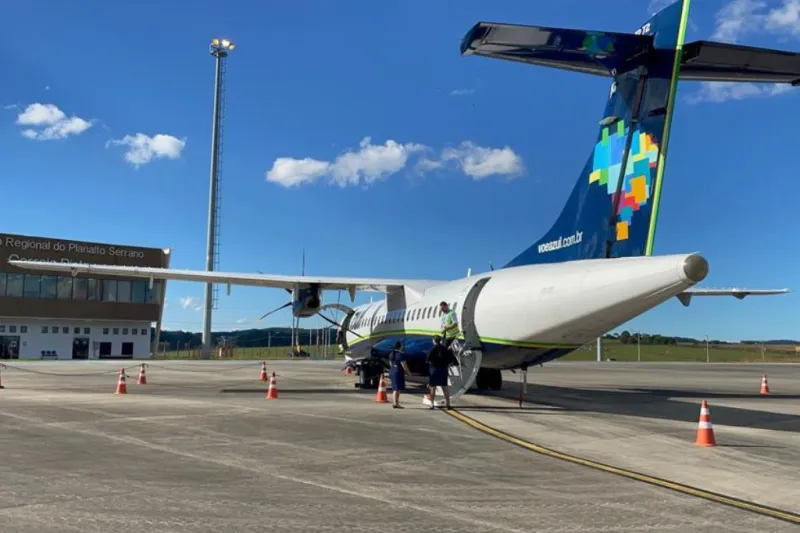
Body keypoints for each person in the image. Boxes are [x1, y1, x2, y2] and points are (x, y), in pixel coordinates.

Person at [426, 335, 452, 409]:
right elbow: (450, 358)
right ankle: (448, 404)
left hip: (434, 369)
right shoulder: (445, 348)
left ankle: (432, 404)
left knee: (433, 388)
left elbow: (427, 359)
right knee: (445, 387)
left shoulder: (432, 348)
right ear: (440, 340)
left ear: (434, 341)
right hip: (443, 369)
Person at [388, 341, 411, 409]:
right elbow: (404, 365)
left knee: (395, 388)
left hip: (392, 370)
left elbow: (390, 364)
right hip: (398, 372)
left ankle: (395, 402)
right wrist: (408, 372)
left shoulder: (391, 354)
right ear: (400, 347)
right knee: (397, 389)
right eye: (402, 345)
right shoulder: (400, 355)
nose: (403, 347)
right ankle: (396, 403)